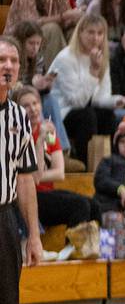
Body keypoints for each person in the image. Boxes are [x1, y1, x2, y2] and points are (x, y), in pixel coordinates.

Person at [0, 35, 43, 304]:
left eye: (13, 59)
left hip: (4, 220)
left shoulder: (17, 116)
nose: (7, 65)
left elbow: (26, 177)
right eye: (1, 59)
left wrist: (32, 236)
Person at [12, 85, 99, 232]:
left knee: (93, 205)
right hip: (27, 197)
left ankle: (97, 249)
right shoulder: (17, 135)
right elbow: (36, 177)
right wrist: (39, 141)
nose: (33, 109)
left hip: (46, 194)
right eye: (26, 106)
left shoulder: (47, 130)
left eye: (35, 103)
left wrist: (35, 176)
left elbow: (59, 173)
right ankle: (72, 251)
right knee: (79, 205)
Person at [51, 15, 125, 162]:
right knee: (87, 116)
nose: (95, 38)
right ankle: (86, 163)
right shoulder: (66, 58)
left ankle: (112, 163)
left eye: (100, 33)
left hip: (84, 110)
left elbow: (100, 98)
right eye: (91, 32)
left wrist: (119, 100)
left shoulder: (100, 57)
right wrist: (94, 72)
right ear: (80, 33)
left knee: (108, 115)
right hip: (61, 113)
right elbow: (77, 102)